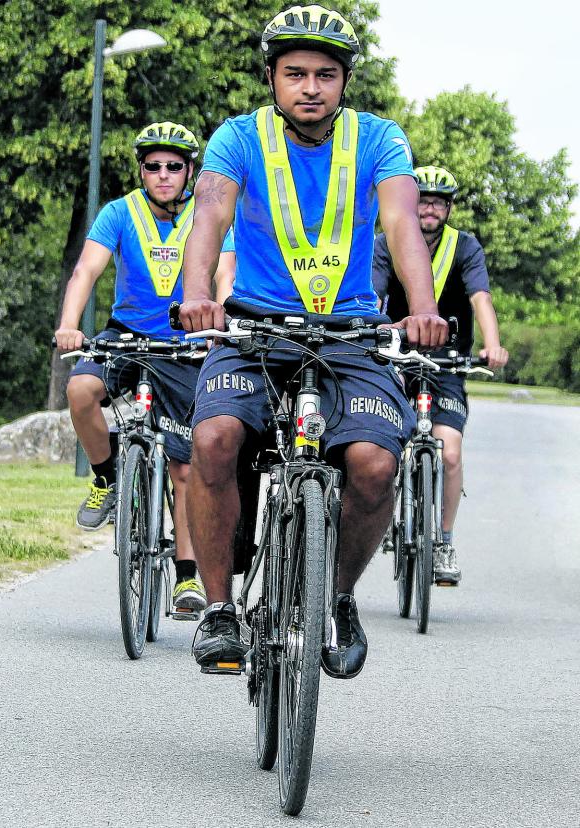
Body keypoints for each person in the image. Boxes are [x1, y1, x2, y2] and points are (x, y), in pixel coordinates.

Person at [179, 4, 448, 678]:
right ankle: (217, 610)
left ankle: (338, 596)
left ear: (344, 80)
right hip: (254, 334)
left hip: (350, 337)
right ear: (271, 76)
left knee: (375, 466)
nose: (310, 87)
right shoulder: (237, 138)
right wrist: (197, 296)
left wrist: (421, 309)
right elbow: (209, 212)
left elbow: (403, 223)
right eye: (294, 72)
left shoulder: (380, 138)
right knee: (212, 441)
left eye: (325, 74)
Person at [54, 121, 235, 612]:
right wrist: (71, 325)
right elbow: (86, 270)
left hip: (185, 346)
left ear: (190, 171)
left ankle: (187, 576)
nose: (162, 174)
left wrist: (218, 327)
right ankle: (107, 477)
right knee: (80, 391)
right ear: (141, 170)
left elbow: (226, 276)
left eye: (173, 166)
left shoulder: (209, 216)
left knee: (184, 465)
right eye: (153, 166)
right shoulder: (118, 212)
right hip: (124, 336)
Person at [373, 164, 508, 584]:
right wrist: (375, 331)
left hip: (447, 361)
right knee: (380, 449)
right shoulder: (385, 242)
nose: (429, 209)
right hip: (396, 358)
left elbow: (480, 297)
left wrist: (492, 344)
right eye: (422, 200)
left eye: (438, 201)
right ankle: (384, 518)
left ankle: (444, 540)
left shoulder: (465, 247)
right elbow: (375, 293)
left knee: (448, 452)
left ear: (448, 208)